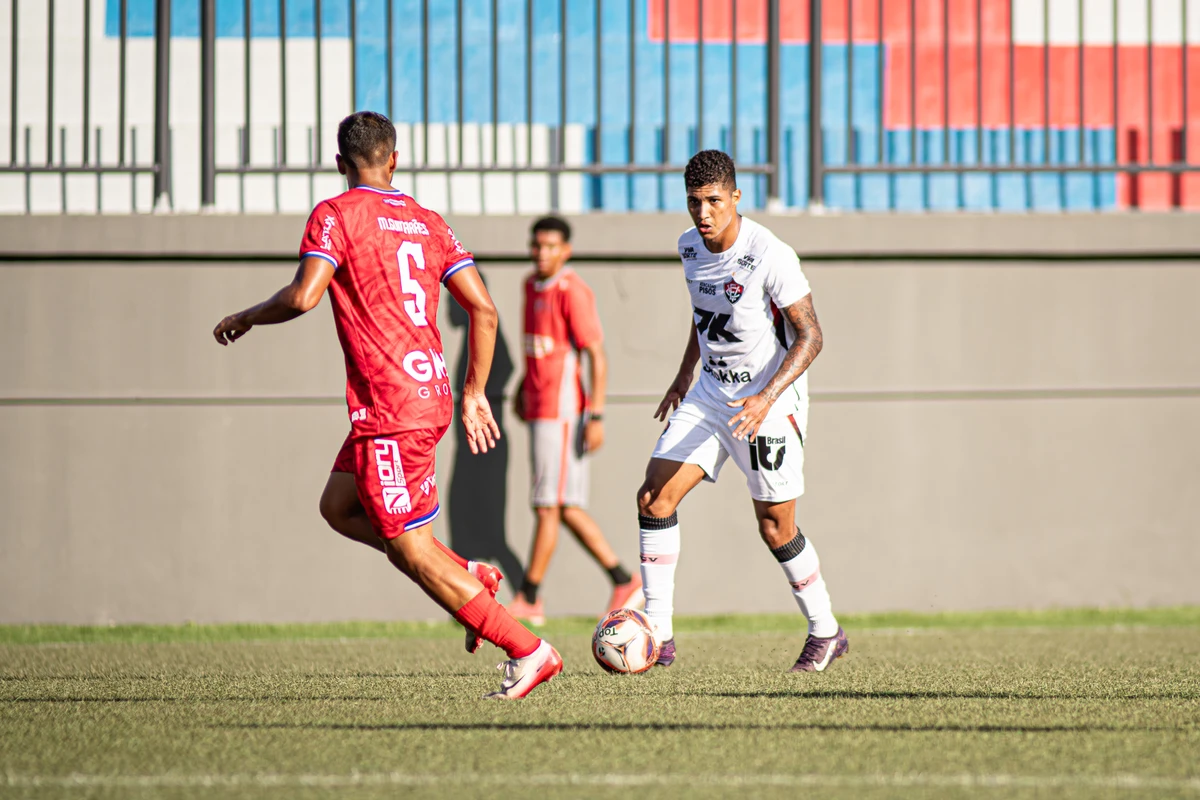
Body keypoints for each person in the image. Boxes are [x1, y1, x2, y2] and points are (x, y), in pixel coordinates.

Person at [211, 111, 561, 699]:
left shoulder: (335, 214)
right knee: (339, 506)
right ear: (394, 159)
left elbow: (304, 296)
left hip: (391, 408)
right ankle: (469, 573)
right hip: (428, 396)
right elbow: (484, 309)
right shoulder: (428, 222)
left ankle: (528, 649)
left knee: (409, 549)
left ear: (339, 163)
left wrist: (246, 316)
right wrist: (474, 391)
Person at [635, 150, 848, 672]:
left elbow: (812, 336)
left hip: (768, 402)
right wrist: (685, 374)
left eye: (713, 201)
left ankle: (826, 630)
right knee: (654, 497)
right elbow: (706, 316)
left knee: (775, 527)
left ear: (735, 197)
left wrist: (767, 397)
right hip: (710, 395)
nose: (703, 213)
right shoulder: (689, 247)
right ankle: (658, 634)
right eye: (694, 202)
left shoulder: (770, 253)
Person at [508, 216, 642, 624]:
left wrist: (595, 415)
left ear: (566, 250)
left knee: (548, 506)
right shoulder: (529, 285)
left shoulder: (573, 290)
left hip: (563, 413)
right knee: (561, 507)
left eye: (551, 246)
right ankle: (623, 580)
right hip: (539, 410)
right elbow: (539, 350)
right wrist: (523, 388)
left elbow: (596, 355)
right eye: (537, 245)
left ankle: (530, 597)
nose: (542, 253)